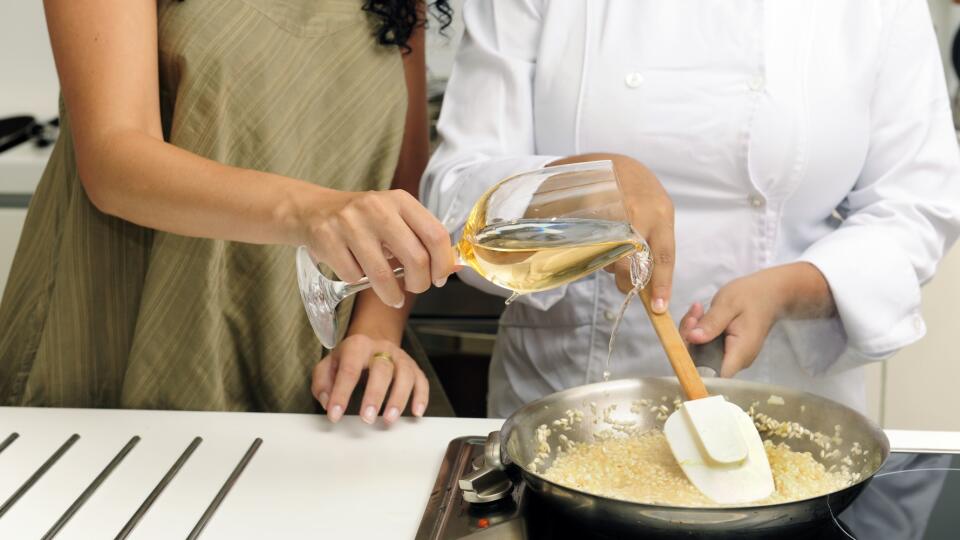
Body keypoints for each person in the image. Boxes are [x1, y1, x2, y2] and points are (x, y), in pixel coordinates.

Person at [423, 0, 960, 418]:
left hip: (790, 404)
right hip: (567, 400)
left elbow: (917, 204)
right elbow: (449, 199)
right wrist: (572, 187)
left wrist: (795, 289)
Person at [0, 0, 458, 425]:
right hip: (123, 330)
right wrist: (315, 213)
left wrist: (376, 333)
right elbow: (112, 158)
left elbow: (404, 172)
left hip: (306, 357)